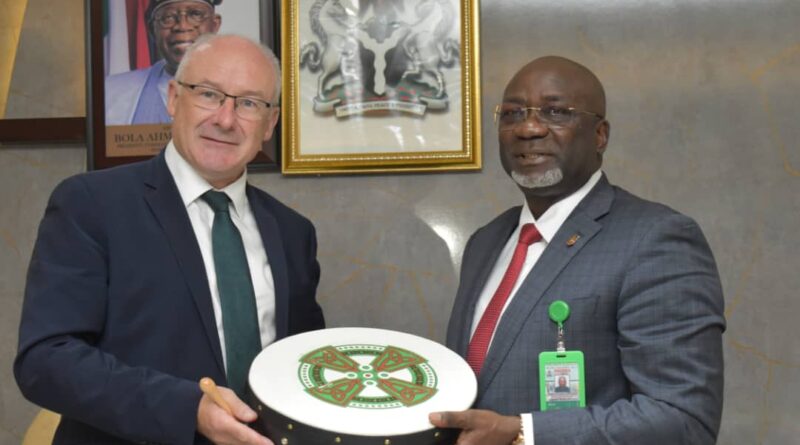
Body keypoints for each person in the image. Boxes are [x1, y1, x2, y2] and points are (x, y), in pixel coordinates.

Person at [15, 34, 325, 444]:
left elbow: (300, 367)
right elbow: (46, 361)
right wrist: (187, 409)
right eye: (209, 94)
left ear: (270, 123)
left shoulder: (292, 232)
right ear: (175, 98)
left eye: (249, 103)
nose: (226, 119)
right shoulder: (91, 205)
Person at [429, 56, 725, 444]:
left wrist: (523, 432)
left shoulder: (656, 239)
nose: (529, 128)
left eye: (555, 112)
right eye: (513, 113)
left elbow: (682, 420)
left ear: (600, 135)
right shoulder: (486, 241)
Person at [105, 0, 222, 125]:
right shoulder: (111, 92)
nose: (182, 26)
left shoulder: (241, 87)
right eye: (168, 17)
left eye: (195, 14)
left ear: (214, 25)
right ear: (152, 30)